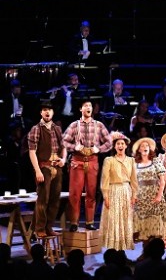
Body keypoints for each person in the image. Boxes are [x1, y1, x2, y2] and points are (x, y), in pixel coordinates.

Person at [63, 98, 112, 232]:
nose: (88, 107)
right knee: (75, 193)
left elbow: (109, 142)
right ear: (81, 109)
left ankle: (89, 221)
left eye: (90, 105)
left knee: (91, 193)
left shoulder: (99, 125)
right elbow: (64, 141)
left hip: (92, 161)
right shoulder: (74, 125)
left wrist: (99, 149)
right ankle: (74, 222)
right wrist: (75, 147)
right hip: (77, 161)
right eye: (85, 105)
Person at [27, 101, 67, 238]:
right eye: (44, 110)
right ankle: (39, 228)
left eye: (49, 109)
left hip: (57, 166)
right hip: (44, 166)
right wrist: (37, 170)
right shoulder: (36, 129)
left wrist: (64, 160)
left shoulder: (57, 128)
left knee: (55, 200)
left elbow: (64, 147)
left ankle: (49, 226)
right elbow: (32, 152)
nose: (47, 112)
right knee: (43, 199)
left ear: (53, 112)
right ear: (41, 113)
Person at [99, 131, 137, 250]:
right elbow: (105, 180)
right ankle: (113, 248)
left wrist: (134, 195)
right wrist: (106, 196)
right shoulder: (109, 160)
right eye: (118, 144)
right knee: (114, 218)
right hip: (113, 190)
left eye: (122, 144)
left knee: (125, 219)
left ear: (126, 146)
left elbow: (134, 180)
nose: (120, 146)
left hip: (126, 190)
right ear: (114, 146)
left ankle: (123, 249)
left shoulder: (131, 160)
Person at [132, 137, 166, 247]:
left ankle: (154, 253)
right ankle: (145, 252)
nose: (145, 147)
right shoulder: (134, 163)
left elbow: (162, 181)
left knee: (154, 226)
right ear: (138, 150)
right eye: (142, 146)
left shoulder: (156, 161)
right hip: (141, 197)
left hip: (153, 195)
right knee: (143, 229)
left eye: (147, 145)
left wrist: (159, 196)